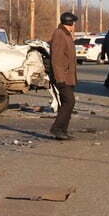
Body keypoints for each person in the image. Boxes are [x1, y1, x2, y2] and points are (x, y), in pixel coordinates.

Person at [48, 11, 78, 140]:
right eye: (73, 23)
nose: (74, 25)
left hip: (68, 76)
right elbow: (57, 58)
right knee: (69, 101)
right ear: (70, 23)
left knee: (68, 102)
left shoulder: (66, 34)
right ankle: (56, 128)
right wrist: (60, 78)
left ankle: (62, 130)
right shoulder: (60, 35)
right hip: (62, 77)